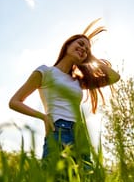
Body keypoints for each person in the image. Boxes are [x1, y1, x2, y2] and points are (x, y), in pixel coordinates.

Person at [9, 19, 120, 167]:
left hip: (80, 134)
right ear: (68, 44)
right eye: (80, 44)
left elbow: (114, 77)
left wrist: (91, 57)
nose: (83, 49)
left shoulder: (78, 82)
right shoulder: (45, 72)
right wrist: (43, 117)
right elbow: (15, 102)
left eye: (86, 50)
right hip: (59, 130)